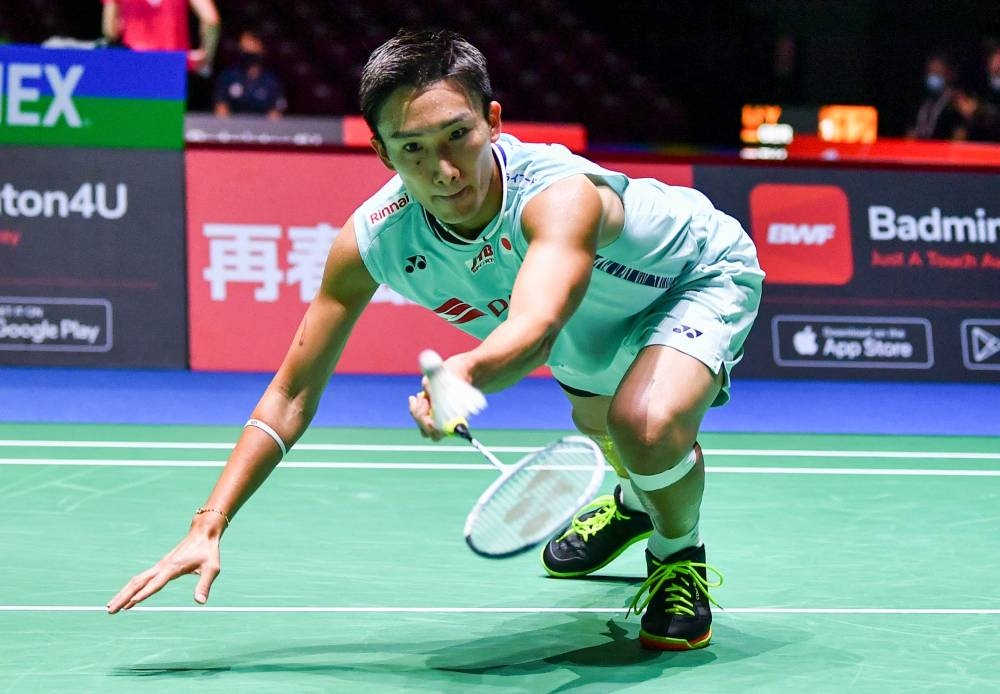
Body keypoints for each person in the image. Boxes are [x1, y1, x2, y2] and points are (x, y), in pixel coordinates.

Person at [107, 29, 764, 652]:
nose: (445, 170)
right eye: (413, 148)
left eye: (458, 136)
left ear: (494, 122)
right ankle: (632, 501)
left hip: (689, 277)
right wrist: (210, 521)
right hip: (582, 316)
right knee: (608, 432)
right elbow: (291, 393)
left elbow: (535, 332)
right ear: (382, 153)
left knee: (642, 424)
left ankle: (678, 558)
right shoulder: (374, 241)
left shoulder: (558, 197)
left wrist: (464, 375)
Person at [102, 0, 221, 108]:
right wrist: (206, 58)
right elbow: (211, 21)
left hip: (134, 64)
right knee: (169, 124)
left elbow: (110, 31)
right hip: (173, 64)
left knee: (135, 121)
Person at [213, 29, 287, 120]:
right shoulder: (228, 77)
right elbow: (221, 110)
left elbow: (275, 114)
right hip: (233, 130)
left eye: (253, 44)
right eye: (245, 46)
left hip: (262, 131)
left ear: (263, 48)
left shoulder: (272, 81)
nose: (249, 49)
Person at [907, 50, 965, 140]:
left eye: (937, 72)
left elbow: (959, 134)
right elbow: (911, 131)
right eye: (931, 72)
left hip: (943, 151)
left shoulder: (956, 100)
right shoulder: (922, 100)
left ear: (949, 73)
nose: (933, 76)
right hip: (918, 150)